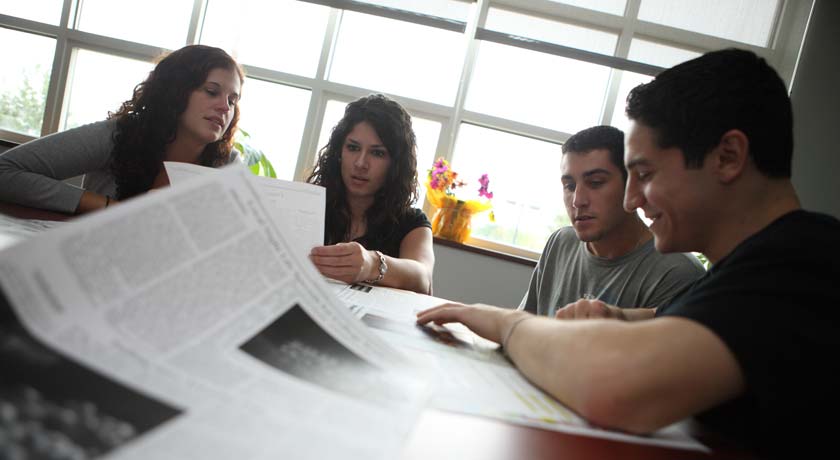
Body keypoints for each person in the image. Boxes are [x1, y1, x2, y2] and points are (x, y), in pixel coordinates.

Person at [417, 48, 840, 457]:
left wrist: (508, 323)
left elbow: (613, 389)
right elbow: (668, 321)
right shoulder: (741, 273)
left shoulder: (804, 263)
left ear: (728, 157)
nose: (632, 198)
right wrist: (616, 318)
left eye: (645, 174)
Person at [0, 44, 244, 215]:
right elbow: (4, 171)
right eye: (212, 91)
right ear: (175, 91)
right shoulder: (119, 135)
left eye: (233, 100)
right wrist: (112, 209)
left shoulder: (228, 164)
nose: (225, 107)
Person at [520, 125, 704, 318]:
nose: (578, 200)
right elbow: (521, 329)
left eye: (596, 183)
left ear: (631, 186)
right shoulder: (561, 243)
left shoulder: (677, 274)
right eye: (569, 186)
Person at [307, 94, 434, 295]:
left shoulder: (411, 222)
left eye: (377, 153)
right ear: (339, 153)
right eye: (353, 148)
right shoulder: (309, 204)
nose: (360, 163)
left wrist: (371, 263)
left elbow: (423, 278)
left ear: (395, 164)